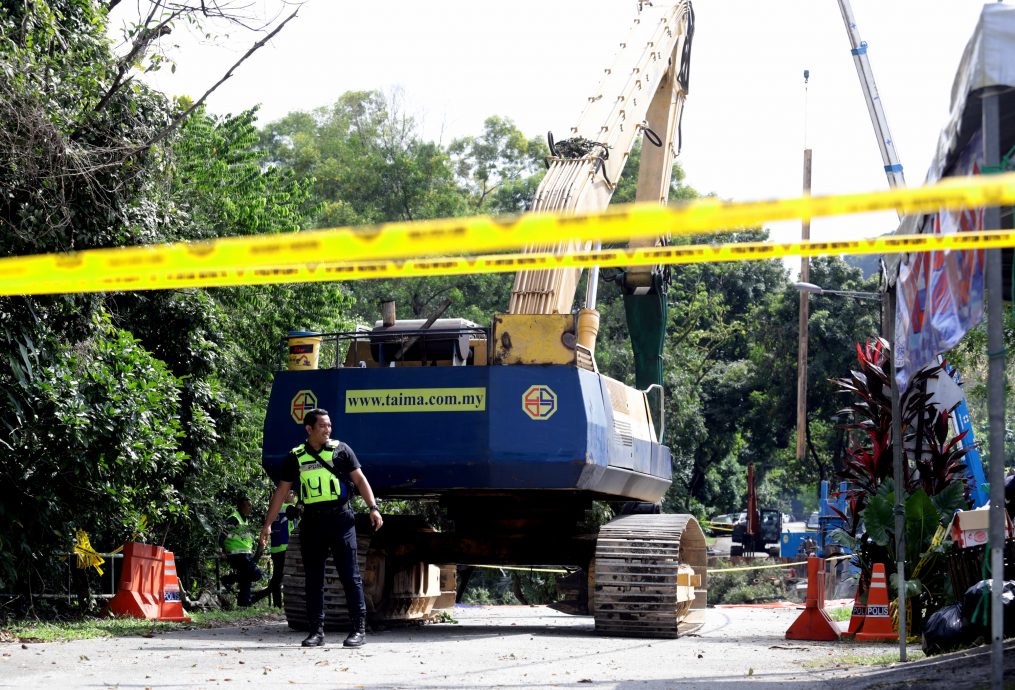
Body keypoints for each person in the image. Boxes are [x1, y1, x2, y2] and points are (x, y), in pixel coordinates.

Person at [259, 408, 383, 648]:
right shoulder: (295, 457)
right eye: (323, 426)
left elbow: (360, 480)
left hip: (341, 520)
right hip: (312, 522)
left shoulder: (341, 450)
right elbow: (281, 492)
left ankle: (358, 630)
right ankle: (316, 631)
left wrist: (373, 507)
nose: (328, 429)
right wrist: (267, 525)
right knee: (313, 579)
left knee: (350, 576)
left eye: (329, 425)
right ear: (309, 429)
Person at [253, 487, 298, 607]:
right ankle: (258, 596)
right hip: (286, 548)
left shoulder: (273, 510)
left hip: (275, 548)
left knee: (277, 578)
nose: (293, 495)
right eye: (291, 492)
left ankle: (277, 604)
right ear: (284, 495)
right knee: (280, 578)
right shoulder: (288, 508)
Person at [220, 495, 263, 607]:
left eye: (251, 505)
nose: (250, 508)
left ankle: (244, 603)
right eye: (248, 505)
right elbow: (222, 534)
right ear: (240, 506)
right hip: (236, 554)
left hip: (245, 554)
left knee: (246, 578)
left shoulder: (244, 520)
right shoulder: (234, 518)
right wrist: (222, 551)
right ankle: (228, 579)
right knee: (256, 574)